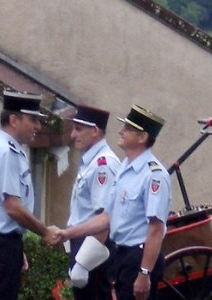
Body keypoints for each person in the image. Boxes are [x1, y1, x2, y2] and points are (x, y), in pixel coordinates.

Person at [59, 104, 171, 300]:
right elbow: (106, 217)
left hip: (138, 256)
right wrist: (67, 234)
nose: (120, 131)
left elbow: (155, 229)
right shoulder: (125, 168)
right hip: (122, 256)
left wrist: (144, 273)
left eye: (127, 129)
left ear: (142, 137)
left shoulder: (154, 175)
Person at [0, 90, 60, 300]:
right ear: (13, 119)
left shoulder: (11, 150)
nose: (38, 126)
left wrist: (16, 245)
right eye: (33, 120)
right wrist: (44, 231)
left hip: (2, 243)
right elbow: (12, 207)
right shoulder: (5, 152)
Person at [66, 104, 120, 300]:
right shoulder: (91, 161)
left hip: (93, 249)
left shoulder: (103, 165)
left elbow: (103, 221)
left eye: (78, 129)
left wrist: (83, 263)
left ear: (95, 131)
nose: (73, 135)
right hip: (82, 244)